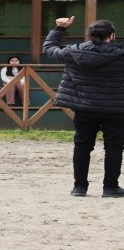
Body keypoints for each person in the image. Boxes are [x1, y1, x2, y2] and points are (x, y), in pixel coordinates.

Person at [43, 15, 124, 198]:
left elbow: (49, 49)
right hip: (116, 108)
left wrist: (59, 28)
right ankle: (110, 187)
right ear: (111, 36)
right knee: (114, 147)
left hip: (84, 106)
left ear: (89, 36)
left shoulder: (73, 52)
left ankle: (80, 187)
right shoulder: (120, 55)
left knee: (82, 146)